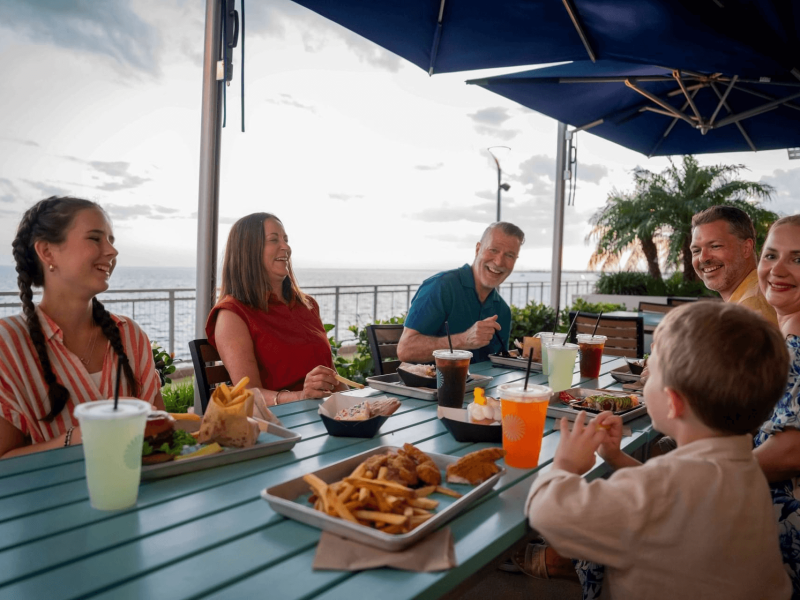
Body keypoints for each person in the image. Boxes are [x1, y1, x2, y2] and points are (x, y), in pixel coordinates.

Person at [525, 301, 791, 599]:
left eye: (650, 375)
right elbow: (680, 497)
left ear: (673, 402)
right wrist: (616, 458)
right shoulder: (746, 470)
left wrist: (565, 465)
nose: (643, 381)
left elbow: (547, 513)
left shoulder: (657, 489)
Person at [0, 197, 164, 459]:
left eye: (111, 240)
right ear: (47, 252)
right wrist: (77, 438)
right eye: (95, 238)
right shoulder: (7, 345)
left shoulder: (130, 335)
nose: (112, 251)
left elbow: (160, 432)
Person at [206, 213, 347, 409]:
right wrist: (302, 396)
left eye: (286, 240)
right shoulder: (232, 314)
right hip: (281, 424)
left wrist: (360, 401)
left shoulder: (308, 305)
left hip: (329, 415)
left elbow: (333, 379)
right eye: (274, 240)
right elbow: (248, 394)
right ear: (248, 251)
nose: (286, 247)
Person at [397, 222, 524, 364]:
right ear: (478, 249)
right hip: (428, 386)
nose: (499, 262)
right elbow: (405, 350)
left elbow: (498, 366)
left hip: (480, 387)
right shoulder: (441, 286)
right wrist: (463, 340)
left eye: (509, 255)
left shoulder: (503, 311)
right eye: (493, 250)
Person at [753, 214, 800, 596]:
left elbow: (790, 452)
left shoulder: (797, 345)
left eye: (798, 259)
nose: (777, 270)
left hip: (778, 536)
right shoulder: (786, 333)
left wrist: (699, 478)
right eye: (771, 255)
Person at [690, 205, 778, 325]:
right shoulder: (759, 295)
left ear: (746, 248)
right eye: (696, 250)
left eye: (715, 246)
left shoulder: (749, 311)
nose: (703, 258)